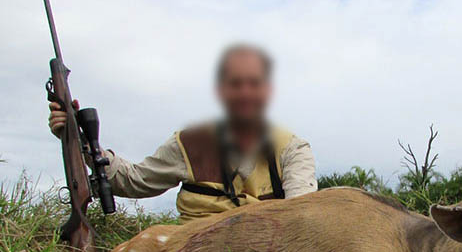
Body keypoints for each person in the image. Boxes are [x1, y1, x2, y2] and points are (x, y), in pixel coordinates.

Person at [48, 43, 317, 222]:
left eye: (254, 84)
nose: (245, 93)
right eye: (236, 84)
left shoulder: (293, 149)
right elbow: (135, 181)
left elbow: (302, 216)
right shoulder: (189, 144)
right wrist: (80, 142)